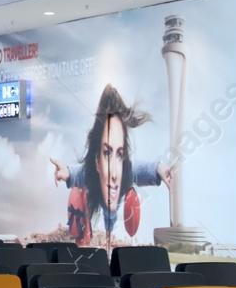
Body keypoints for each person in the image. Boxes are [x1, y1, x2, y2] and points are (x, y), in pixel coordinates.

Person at [50, 84, 171, 246]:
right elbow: (82, 172)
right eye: (107, 153)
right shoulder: (92, 172)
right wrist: (68, 173)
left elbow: (139, 169)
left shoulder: (124, 172)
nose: (114, 172)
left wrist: (159, 168)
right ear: (97, 160)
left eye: (119, 154)